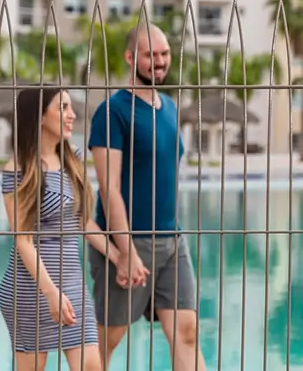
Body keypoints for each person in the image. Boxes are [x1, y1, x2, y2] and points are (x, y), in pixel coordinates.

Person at [0, 84, 144, 371]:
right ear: (39, 117)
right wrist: (50, 292)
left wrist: (118, 257)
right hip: (31, 287)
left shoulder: (71, 157)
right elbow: (23, 240)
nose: (72, 115)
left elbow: (81, 221)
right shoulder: (18, 169)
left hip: (72, 284)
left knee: (91, 366)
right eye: (62, 108)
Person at [87, 23, 207, 371]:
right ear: (130, 58)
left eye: (164, 53)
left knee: (186, 331)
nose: (159, 61)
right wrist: (125, 251)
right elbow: (108, 187)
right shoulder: (113, 112)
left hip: (172, 239)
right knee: (108, 338)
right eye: (149, 54)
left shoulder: (168, 107)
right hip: (130, 242)